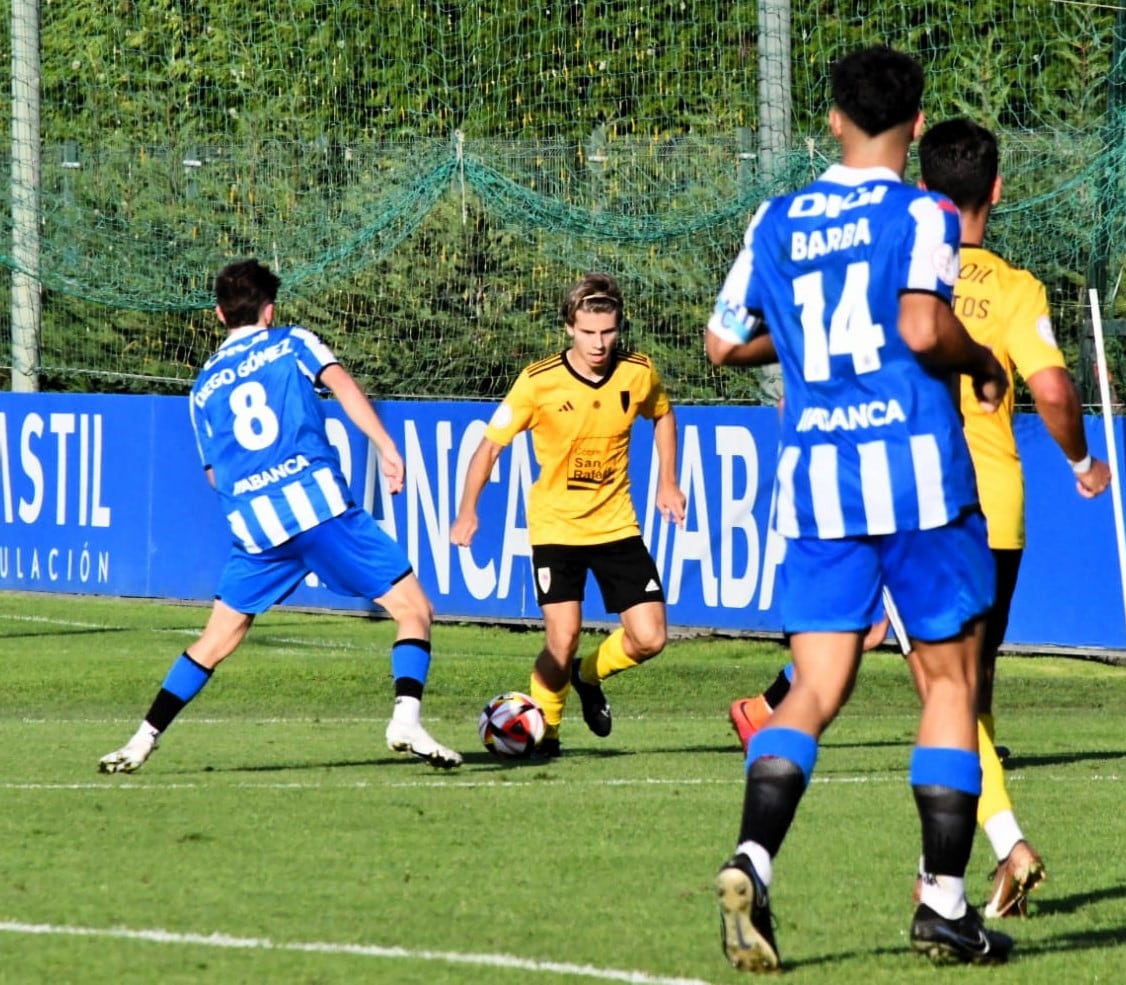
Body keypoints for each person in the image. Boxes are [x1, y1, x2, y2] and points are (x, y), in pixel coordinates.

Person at [726, 118, 1113, 920]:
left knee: (910, 689)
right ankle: (962, 869)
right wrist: (1079, 462)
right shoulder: (1008, 286)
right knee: (959, 687)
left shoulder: (873, 256)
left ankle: (987, 849)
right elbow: (1044, 387)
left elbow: (739, 339)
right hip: (980, 508)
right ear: (996, 190)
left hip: (880, 491)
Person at [704, 48, 1013, 970]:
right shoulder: (921, 209)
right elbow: (921, 326)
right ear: (916, 128)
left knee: (815, 689)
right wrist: (981, 362)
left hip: (816, 483)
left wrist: (798, 345)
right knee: (951, 685)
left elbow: (721, 342)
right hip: (917, 476)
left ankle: (751, 859)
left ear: (832, 118)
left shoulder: (777, 217)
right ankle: (945, 905)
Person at [98, 259, 462, 774]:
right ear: (270, 311)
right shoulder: (292, 342)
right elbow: (344, 387)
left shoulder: (202, 387)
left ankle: (142, 739)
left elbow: (213, 475)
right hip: (320, 509)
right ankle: (405, 717)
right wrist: (385, 446)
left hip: (257, 529)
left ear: (220, 314)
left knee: (217, 638)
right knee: (413, 609)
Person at [450, 273, 686, 757]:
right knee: (563, 635)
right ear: (568, 329)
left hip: (617, 524)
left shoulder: (638, 372)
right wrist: (467, 510)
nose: (599, 343)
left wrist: (668, 481)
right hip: (556, 527)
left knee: (651, 638)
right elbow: (489, 448)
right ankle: (547, 734)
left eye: (608, 332)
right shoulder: (538, 383)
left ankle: (586, 675)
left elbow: (662, 412)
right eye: (588, 332)